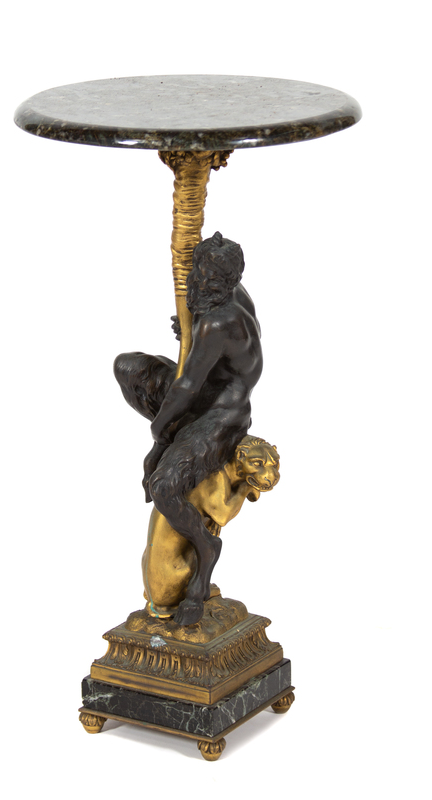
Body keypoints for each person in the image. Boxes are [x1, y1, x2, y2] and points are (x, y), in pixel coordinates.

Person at [114, 232, 263, 625]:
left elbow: (186, 387)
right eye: (195, 271)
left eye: (202, 277)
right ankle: (177, 438)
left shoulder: (219, 320)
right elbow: (199, 367)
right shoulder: (227, 298)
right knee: (127, 368)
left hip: (222, 416)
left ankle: (205, 547)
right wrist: (190, 332)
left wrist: (160, 434)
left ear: (221, 282)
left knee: (164, 487)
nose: (194, 281)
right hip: (203, 392)